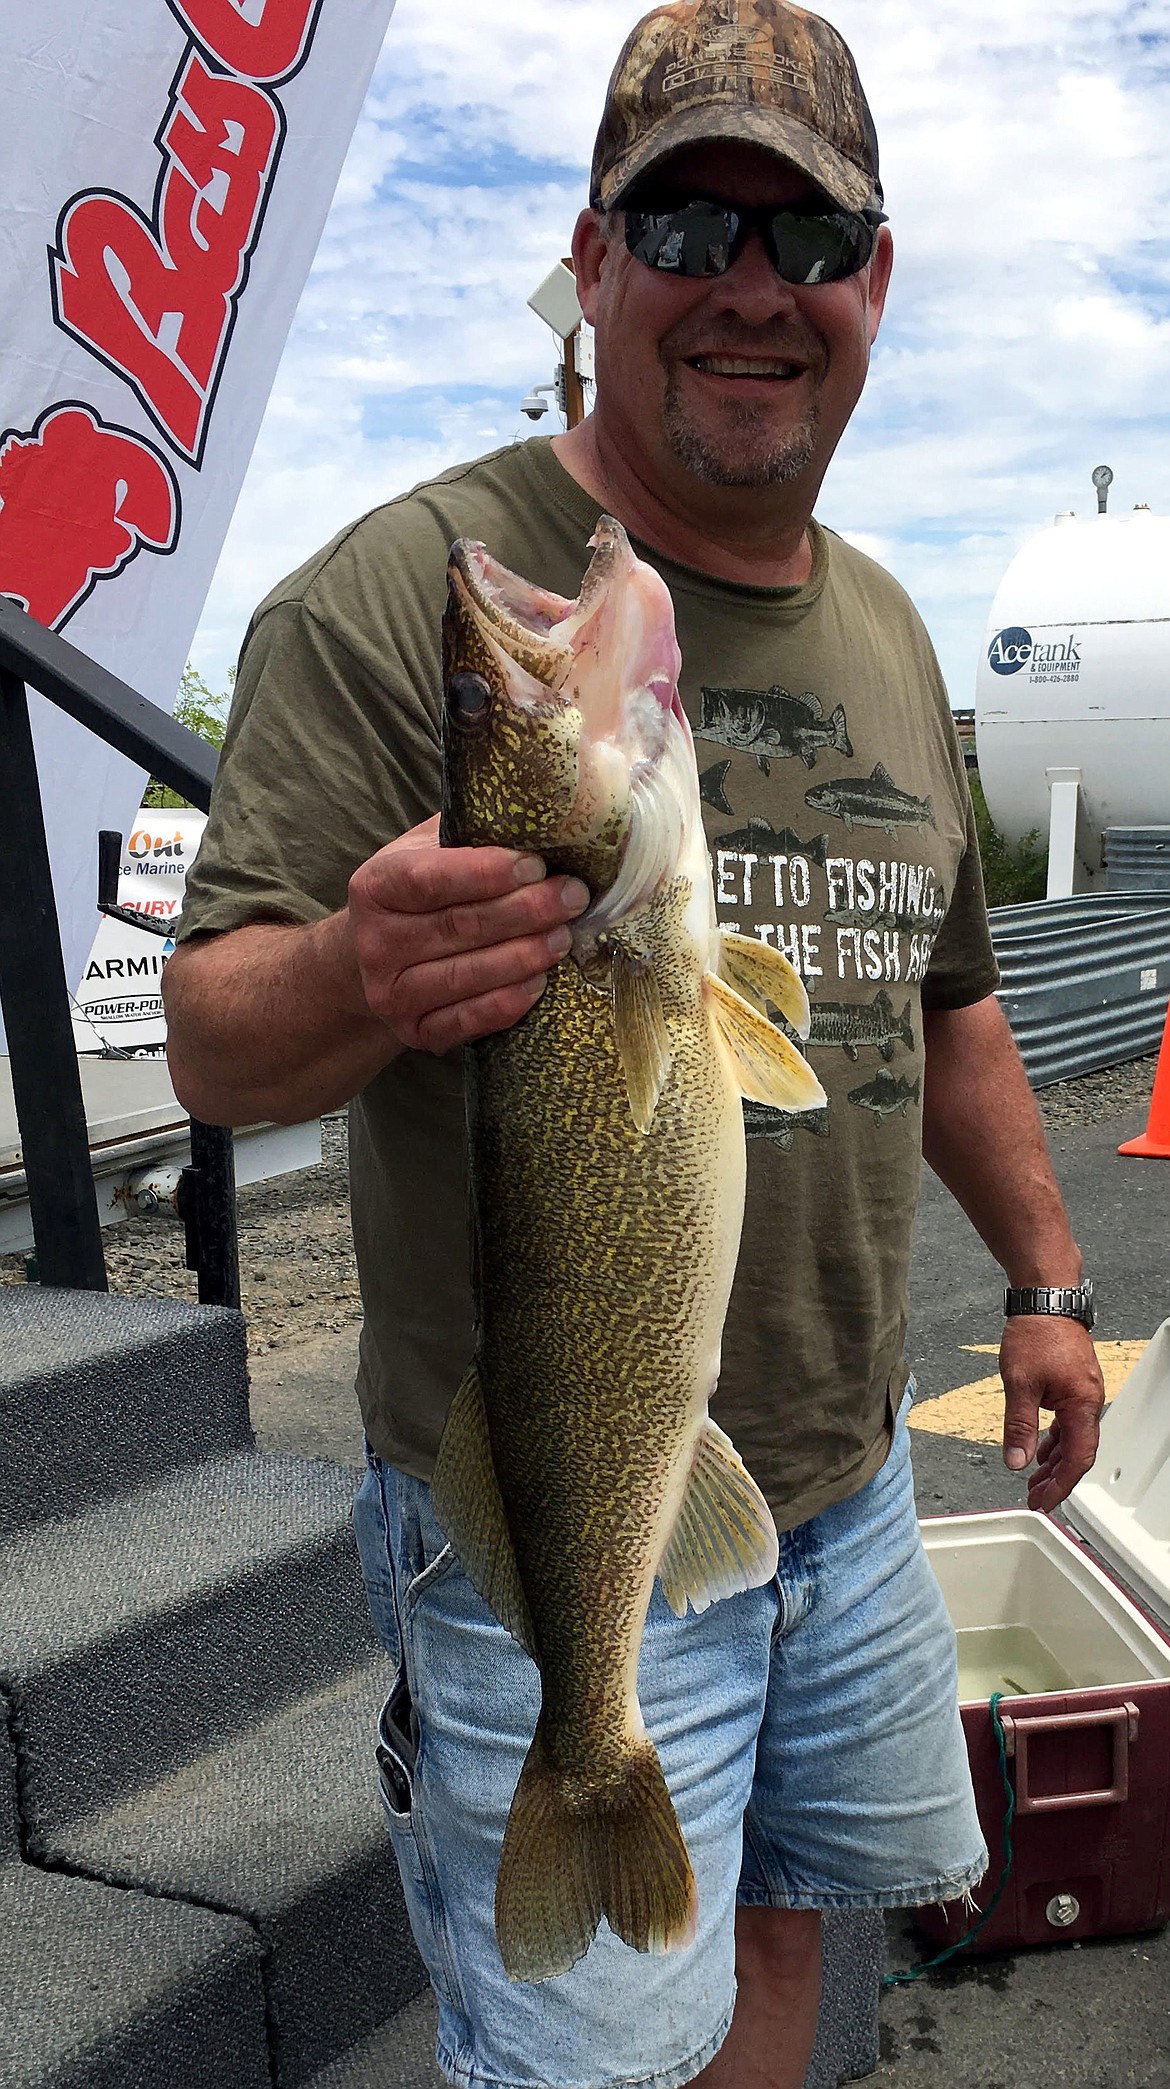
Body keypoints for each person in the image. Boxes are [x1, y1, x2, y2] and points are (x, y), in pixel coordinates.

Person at [164, 3, 1106, 2083]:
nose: (750, 284)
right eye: (687, 223)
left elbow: (946, 996)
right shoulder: (390, 589)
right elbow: (220, 1047)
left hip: (850, 1478)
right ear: (593, 263)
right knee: (589, 2052)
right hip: (557, 1517)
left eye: (809, 233)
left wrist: (1046, 1283)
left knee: (786, 1930)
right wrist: (355, 971)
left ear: (876, 283)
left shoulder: (889, 623)